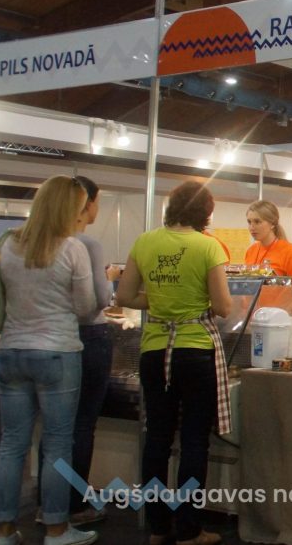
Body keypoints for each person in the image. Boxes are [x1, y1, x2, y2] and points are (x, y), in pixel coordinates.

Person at [117, 180, 232, 545]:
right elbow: (223, 306)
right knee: (194, 441)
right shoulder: (207, 246)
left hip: (154, 349)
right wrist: (192, 303)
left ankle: (157, 527)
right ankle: (189, 529)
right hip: (195, 350)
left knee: (158, 438)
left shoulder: (145, 241)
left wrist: (159, 301)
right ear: (205, 212)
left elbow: (124, 296)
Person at [0, 176, 99, 545]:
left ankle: (4, 531)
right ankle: (56, 529)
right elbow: (85, 307)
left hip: (10, 351)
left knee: (11, 445)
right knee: (56, 444)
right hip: (57, 352)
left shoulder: (8, 245)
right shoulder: (72, 248)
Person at [67, 177, 115, 526]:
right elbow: (98, 300)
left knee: (56, 428)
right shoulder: (86, 244)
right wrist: (109, 277)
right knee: (83, 423)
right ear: (88, 204)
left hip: (47, 340)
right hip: (88, 337)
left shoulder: (28, 241)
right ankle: (74, 505)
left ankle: (49, 505)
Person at [244, 200, 292, 310]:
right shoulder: (251, 251)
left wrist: (287, 309)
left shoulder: (289, 251)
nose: (252, 227)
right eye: (249, 222)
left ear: (272, 224)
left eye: (257, 222)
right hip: (254, 315)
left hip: (277, 317)